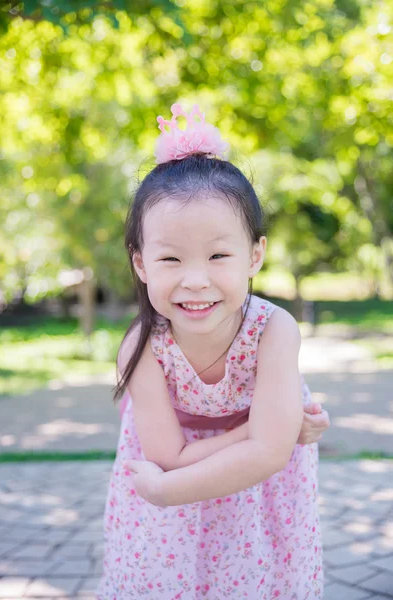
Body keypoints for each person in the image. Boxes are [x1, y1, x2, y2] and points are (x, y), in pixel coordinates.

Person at [96, 103, 330, 600]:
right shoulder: (142, 347)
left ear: (255, 255)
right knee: (168, 583)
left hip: (257, 493)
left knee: (255, 580)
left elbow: (267, 457)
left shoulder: (274, 330)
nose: (195, 279)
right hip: (167, 500)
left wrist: (169, 487)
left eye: (219, 255)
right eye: (170, 258)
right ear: (140, 263)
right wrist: (262, 429)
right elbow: (169, 457)